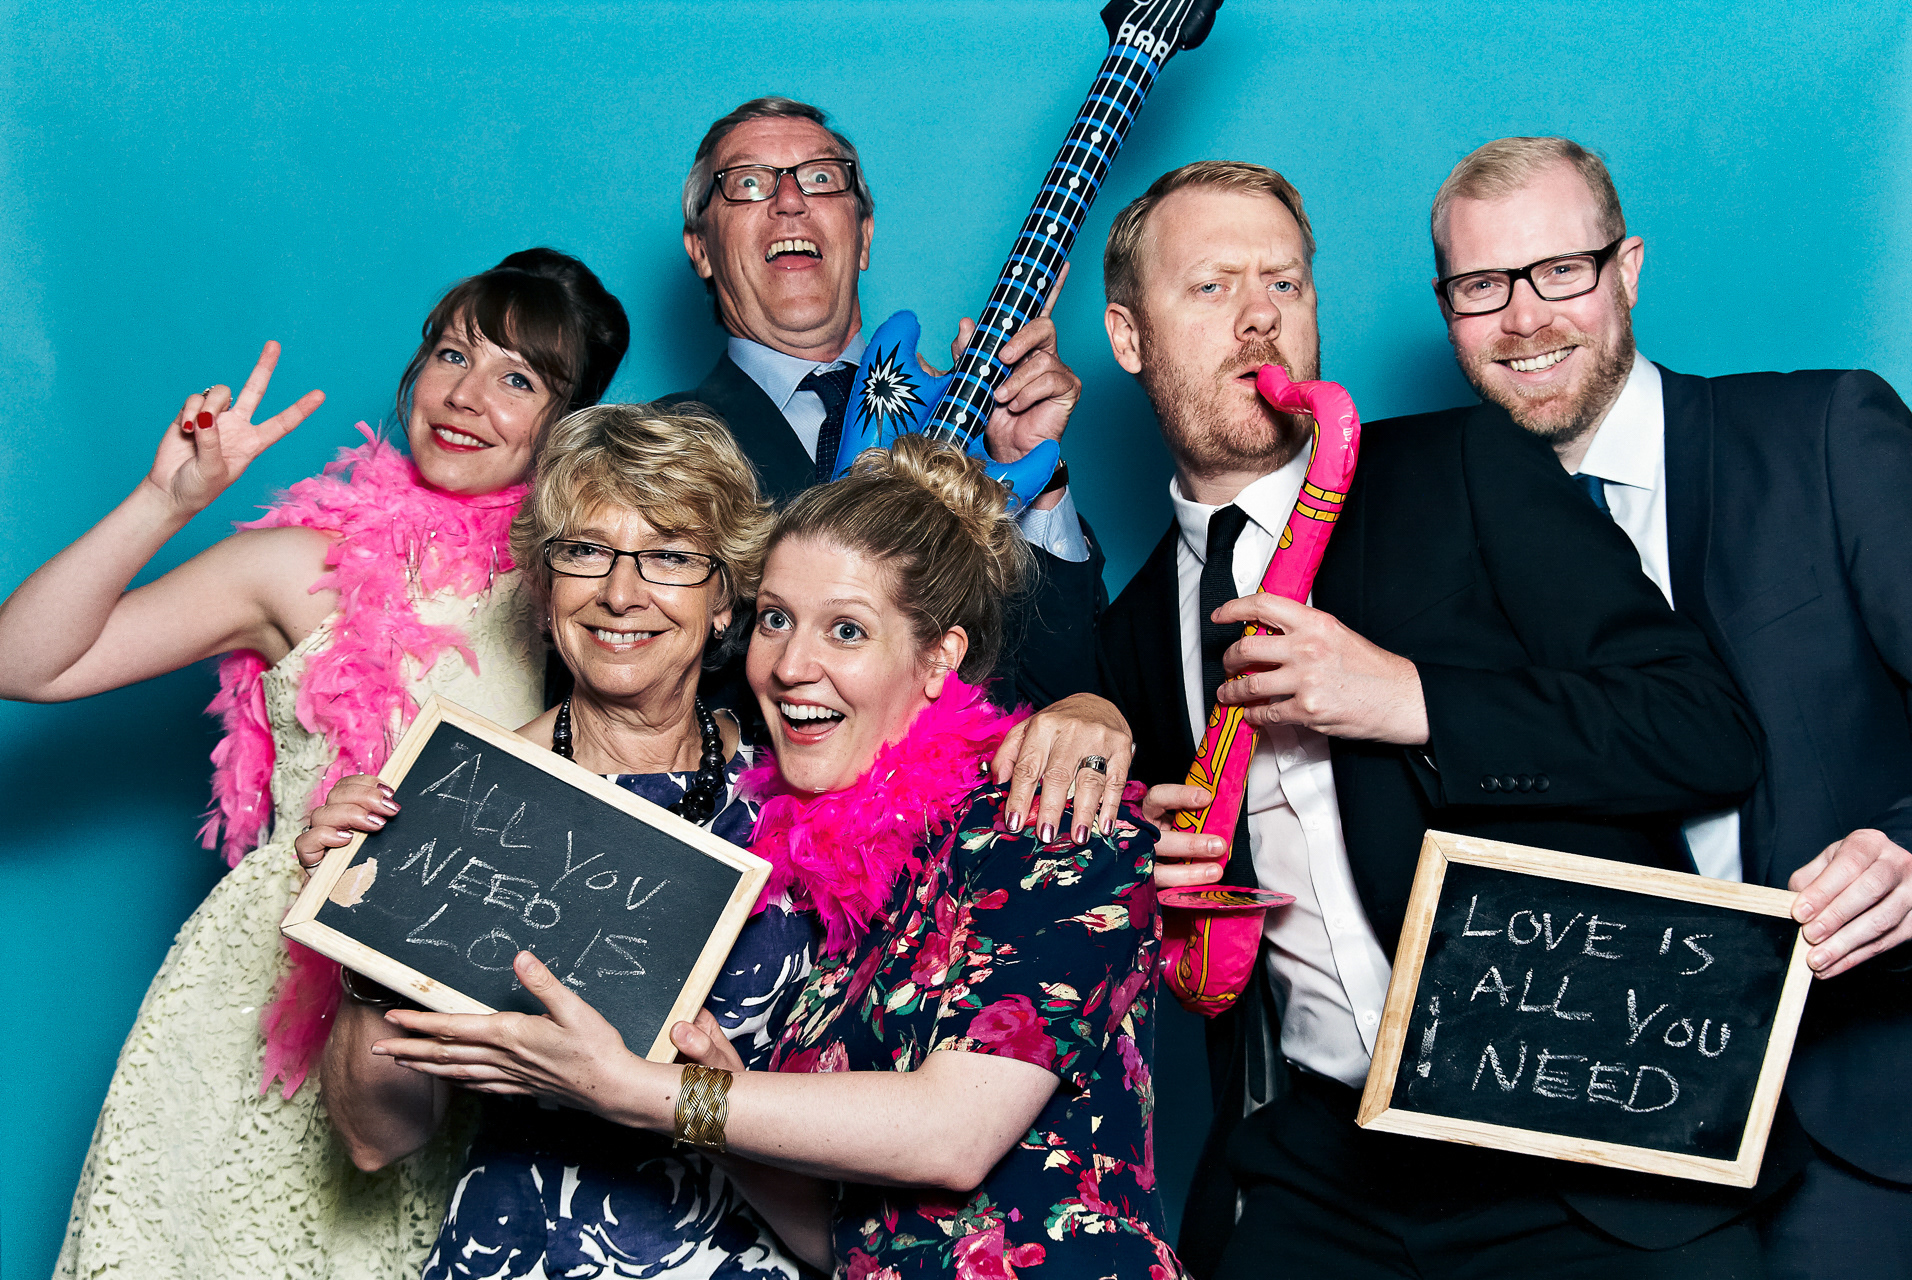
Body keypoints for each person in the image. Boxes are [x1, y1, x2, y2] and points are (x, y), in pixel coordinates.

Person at [1093, 161, 1775, 1276]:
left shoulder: (1462, 467)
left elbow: (1702, 726)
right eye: (1213, 288)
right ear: (1129, 337)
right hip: (1323, 1177)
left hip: (1579, 1157)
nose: (1263, 315)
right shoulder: (1130, 634)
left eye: (1288, 283)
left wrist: (1407, 699)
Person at [338, 438, 1179, 1278]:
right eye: (779, 619)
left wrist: (650, 1094)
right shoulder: (838, 864)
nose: (791, 664)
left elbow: (952, 1134)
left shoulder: (1053, 809)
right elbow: (837, 1233)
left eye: (846, 628)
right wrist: (373, 907)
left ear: (939, 658)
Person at [2, 248, 630, 1279]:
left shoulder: (588, 591)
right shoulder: (304, 564)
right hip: (257, 1016)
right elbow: (25, 662)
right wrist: (167, 499)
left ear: (569, 421)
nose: (464, 395)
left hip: (447, 1040)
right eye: (450, 352)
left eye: (518, 376)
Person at [1424, 136, 1912, 1280]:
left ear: (1628, 268)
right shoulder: (1428, 553)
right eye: (1481, 287)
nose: (1525, 319)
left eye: (1561, 271)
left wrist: (1911, 854)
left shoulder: (1827, 435)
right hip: (1595, 1159)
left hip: (1864, 1118)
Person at [298, 404, 812, 1278]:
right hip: (534, 1250)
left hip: (767, 1245)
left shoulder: (804, 787)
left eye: (672, 557)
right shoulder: (463, 795)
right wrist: (365, 924)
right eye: (584, 551)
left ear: (728, 598)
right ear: (544, 585)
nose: (621, 593)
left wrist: (1089, 712)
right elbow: (379, 1139)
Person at [659, 96, 1111, 724]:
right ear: (701, 249)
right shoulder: (656, 451)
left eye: (820, 177)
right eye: (748, 183)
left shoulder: (968, 421)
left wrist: (1036, 491)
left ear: (864, 237)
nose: (789, 200)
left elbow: (1066, 695)